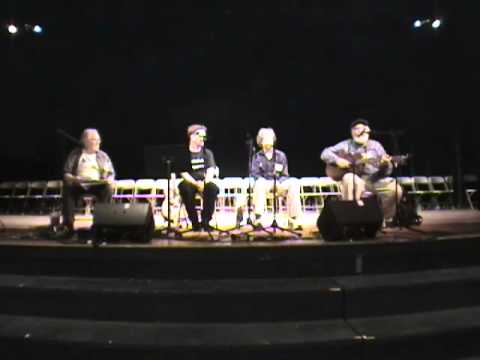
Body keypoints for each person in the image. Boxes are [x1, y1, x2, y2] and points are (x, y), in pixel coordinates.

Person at [320, 118, 402, 222]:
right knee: (350, 178)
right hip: (355, 178)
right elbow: (325, 153)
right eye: (356, 129)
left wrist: (385, 165)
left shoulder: (376, 146)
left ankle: (381, 219)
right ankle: (350, 219)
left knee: (395, 189)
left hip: (373, 179)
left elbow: (386, 172)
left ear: (368, 131)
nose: (359, 131)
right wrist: (337, 161)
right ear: (351, 132)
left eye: (362, 129)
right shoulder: (346, 144)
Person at [61, 128, 115, 236]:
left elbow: (111, 173)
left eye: (99, 139)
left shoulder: (102, 156)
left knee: (107, 189)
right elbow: (66, 174)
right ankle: (68, 226)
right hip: (78, 184)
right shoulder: (75, 154)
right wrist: (74, 179)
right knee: (67, 189)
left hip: (97, 184)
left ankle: (101, 225)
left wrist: (109, 180)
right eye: (95, 139)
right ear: (85, 141)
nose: (98, 142)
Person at [251, 127, 302, 230]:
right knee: (259, 184)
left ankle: (293, 219)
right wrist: (267, 182)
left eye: (270, 138)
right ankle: (258, 219)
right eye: (265, 138)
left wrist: (279, 182)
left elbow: (285, 174)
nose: (268, 140)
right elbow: (255, 174)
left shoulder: (281, 155)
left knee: (294, 182)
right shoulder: (257, 157)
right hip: (265, 184)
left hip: (279, 183)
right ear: (260, 141)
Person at [178, 124, 219, 231]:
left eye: (204, 136)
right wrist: (195, 183)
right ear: (192, 136)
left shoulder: (207, 153)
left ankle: (205, 221)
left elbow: (211, 170)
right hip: (190, 181)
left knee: (212, 188)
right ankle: (195, 222)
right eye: (201, 136)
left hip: (204, 180)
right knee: (185, 188)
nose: (203, 139)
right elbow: (183, 172)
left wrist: (204, 182)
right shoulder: (184, 153)